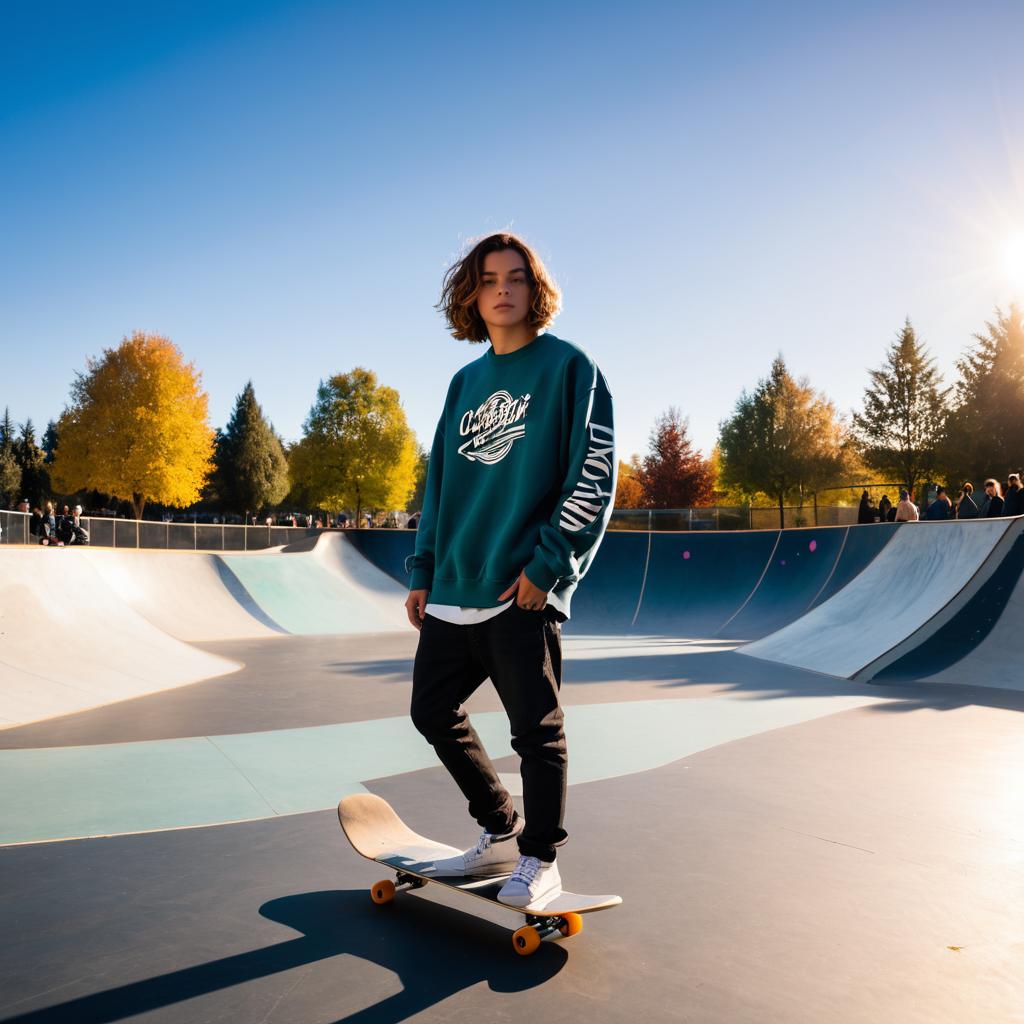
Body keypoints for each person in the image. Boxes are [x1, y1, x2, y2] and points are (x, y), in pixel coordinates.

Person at [405, 233, 615, 909]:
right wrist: (423, 568)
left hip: (520, 588)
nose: (502, 289)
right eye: (489, 278)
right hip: (455, 586)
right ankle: (499, 827)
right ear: (472, 295)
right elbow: (439, 485)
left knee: (536, 731)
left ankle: (539, 857)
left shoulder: (569, 369)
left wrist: (548, 567)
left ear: (535, 289)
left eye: (516, 277)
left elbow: (594, 474)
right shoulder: (464, 383)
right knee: (432, 710)